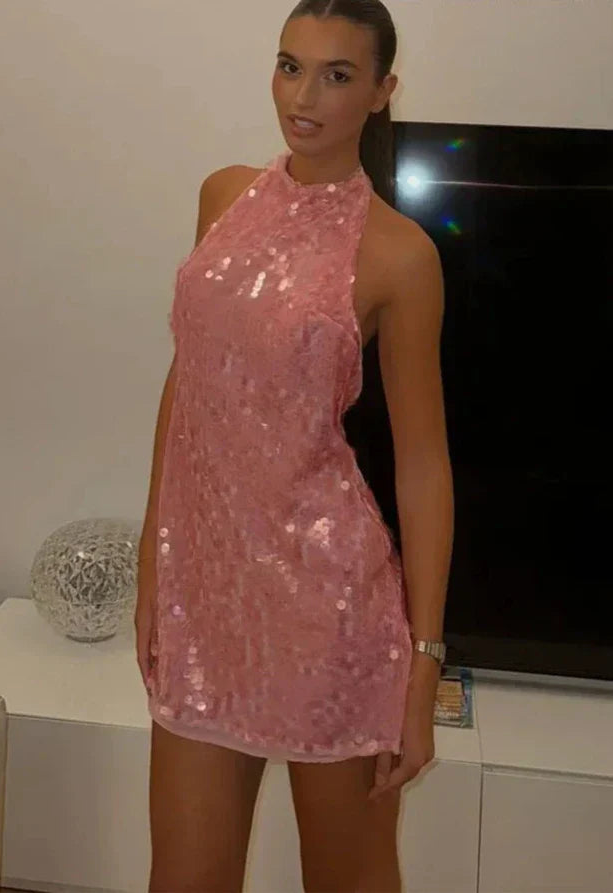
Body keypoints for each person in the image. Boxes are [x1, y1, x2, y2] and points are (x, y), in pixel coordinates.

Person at [135, 1, 454, 890]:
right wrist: (154, 559)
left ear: (382, 91)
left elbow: (424, 466)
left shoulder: (399, 256)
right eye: (290, 66)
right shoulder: (223, 196)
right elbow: (189, 380)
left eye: (337, 75)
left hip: (329, 614)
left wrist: (424, 665)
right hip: (207, 606)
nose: (303, 97)